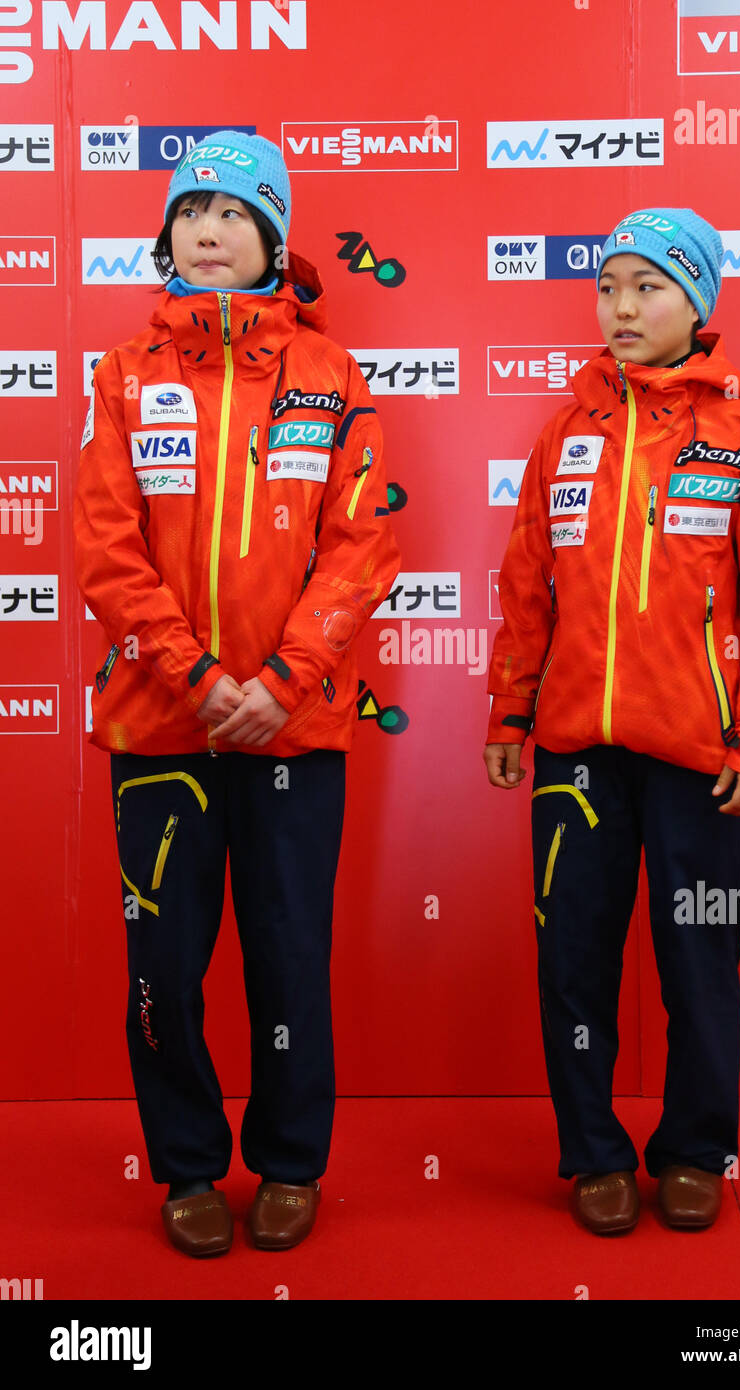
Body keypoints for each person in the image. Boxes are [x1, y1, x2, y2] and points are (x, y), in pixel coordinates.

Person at [74, 131, 400, 1256]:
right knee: (162, 965)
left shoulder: (329, 376)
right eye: (188, 212)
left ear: (272, 237)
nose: (206, 231)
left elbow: (361, 546)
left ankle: (291, 1163)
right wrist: (204, 678)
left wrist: (282, 679)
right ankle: (185, 1168)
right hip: (159, 721)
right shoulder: (122, 376)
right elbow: (106, 552)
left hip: (294, 728)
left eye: (232, 213)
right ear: (166, 236)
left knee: (287, 953)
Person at [483, 207, 740, 1234]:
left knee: (699, 962)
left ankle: (692, 1146)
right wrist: (509, 711)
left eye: (648, 286)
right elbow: (525, 590)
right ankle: (591, 1149)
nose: (621, 306)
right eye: (607, 286)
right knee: (573, 960)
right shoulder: (564, 430)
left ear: (697, 302)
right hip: (576, 756)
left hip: (704, 761)